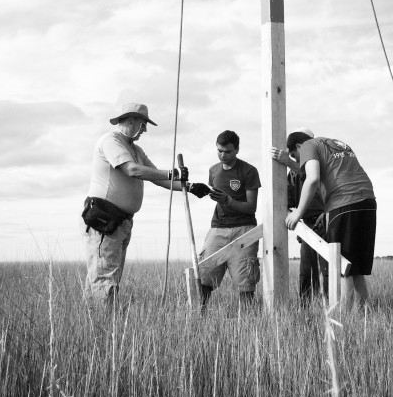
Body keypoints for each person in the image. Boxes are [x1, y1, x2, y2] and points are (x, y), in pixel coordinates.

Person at [83, 102, 192, 306]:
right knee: (105, 280)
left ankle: (98, 326)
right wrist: (172, 172)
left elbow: (158, 177)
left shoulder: (136, 149)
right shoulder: (111, 141)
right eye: (143, 124)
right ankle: (104, 329)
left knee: (108, 277)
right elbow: (132, 170)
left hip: (121, 224)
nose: (145, 129)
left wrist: (190, 186)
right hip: (104, 220)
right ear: (131, 121)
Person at [284, 130, 376, 308]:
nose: (299, 163)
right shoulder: (334, 143)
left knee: (341, 266)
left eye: (296, 157)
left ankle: (343, 318)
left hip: (343, 203)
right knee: (355, 267)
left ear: (298, 146)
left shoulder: (309, 146)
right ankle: (362, 315)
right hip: (367, 202)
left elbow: (312, 178)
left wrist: (298, 212)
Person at [198, 130, 261, 307]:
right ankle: (198, 317)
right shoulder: (213, 170)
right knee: (204, 275)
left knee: (245, 281)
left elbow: (251, 207)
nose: (222, 155)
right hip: (218, 227)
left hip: (244, 228)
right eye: (219, 150)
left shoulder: (249, 171)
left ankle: (247, 324)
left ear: (237, 150)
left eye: (227, 151)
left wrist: (228, 200)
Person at [271, 129, 327, 302]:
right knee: (306, 272)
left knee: (327, 270)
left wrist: (288, 162)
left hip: (326, 221)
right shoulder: (293, 173)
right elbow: (287, 201)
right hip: (308, 226)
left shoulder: (322, 163)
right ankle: (305, 308)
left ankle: (329, 308)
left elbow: (317, 180)